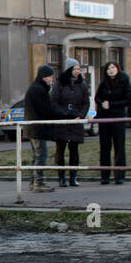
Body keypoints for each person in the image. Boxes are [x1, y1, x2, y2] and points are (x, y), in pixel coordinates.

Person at [23, 64, 73, 192]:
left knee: (36, 156)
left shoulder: (35, 88)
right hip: (38, 128)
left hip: (32, 127)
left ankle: (33, 182)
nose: (51, 79)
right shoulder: (38, 90)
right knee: (41, 155)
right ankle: (38, 183)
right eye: (50, 76)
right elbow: (46, 110)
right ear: (44, 76)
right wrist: (64, 115)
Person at [50, 58, 89, 187]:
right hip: (62, 121)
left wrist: (80, 115)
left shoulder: (82, 85)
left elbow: (86, 103)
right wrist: (64, 113)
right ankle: (61, 177)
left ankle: (73, 177)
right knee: (60, 150)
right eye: (75, 69)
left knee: (74, 150)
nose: (77, 71)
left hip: (76, 121)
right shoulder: (59, 83)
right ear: (69, 70)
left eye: (79, 69)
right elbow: (54, 102)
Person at [96, 60, 131, 184]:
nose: (110, 70)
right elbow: (97, 97)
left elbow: (129, 99)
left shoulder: (124, 81)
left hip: (118, 117)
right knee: (104, 147)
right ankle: (104, 176)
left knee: (119, 146)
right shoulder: (103, 83)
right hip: (104, 118)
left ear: (117, 68)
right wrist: (102, 103)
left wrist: (112, 104)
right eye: (108, 68)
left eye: (113, 67)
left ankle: (119, 176)